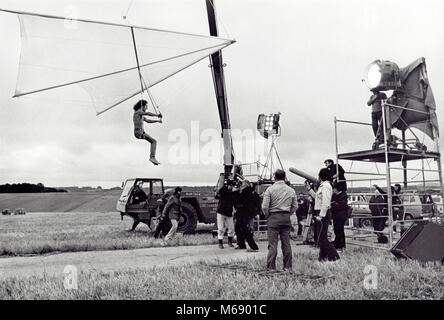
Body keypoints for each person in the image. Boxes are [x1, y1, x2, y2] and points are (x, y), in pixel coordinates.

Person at [262, 169, 297, 271]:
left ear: (274, 177)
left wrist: (267, 215)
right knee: (286, 244)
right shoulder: (291, 190)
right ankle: (288, 267)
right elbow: (295, 206)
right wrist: (288, 213)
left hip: (273, 217)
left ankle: (271, 268)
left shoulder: (270, 190)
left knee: (273, 244)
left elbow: (265, 206)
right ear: (284, 177)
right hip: (286, 218)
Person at [305, 168, 340, 262]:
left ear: (321, 176)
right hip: (320, 212)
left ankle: (334, 256)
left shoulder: (326, 186)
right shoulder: (323, 186)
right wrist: (309, 188)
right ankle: (322, 258)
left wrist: (321, 215)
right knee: (321, 237)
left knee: (321, 237)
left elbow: (326, 202)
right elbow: (317, 197)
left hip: (322, 213)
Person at [133, 99, 162, 165]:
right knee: (153, 141)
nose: (147, 107)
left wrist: (157, 121)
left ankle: (152, 157)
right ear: (142, 106)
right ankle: (152, 157)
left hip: (141, 133)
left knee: (154, 141)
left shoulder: (141, 115)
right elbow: (148, 113)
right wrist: (157, 115)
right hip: (138, 133)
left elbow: (148, 120)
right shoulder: (138, 112)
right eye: (146, 106)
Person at [233, 180, 260, 252]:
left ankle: (253, 247)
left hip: (244, 213)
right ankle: (242, 244)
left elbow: (239, 199)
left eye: (243, 184)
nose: (241, 185)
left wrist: (236, 191)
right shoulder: (248, 192)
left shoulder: (246, 192)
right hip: (242, 213)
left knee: (245, 230)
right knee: (238, 228)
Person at [215, 181, 235, 249]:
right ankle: (220, 243)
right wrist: (226, 185)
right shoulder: (224, 191)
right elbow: (220, 191)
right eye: (230, 185)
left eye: (232, 186)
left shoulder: (232, 194)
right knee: (220, 228)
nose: (231, 187)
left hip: (228, 212)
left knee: (231, 228)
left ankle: (230, 242)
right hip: (221, 212)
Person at [330, 184, 349, 250]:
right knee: (336, 230)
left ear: (337, 189)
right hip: (335, 215)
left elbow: (342, 206)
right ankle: (338, 245)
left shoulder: (343, 196)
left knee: (340, 230)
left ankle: (341, 245)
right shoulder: (334, 195)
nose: (333, 190)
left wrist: (334, 204)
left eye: (334, 189)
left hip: (341, 216)